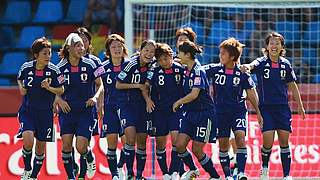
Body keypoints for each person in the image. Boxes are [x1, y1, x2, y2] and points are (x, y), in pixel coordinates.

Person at [241, 32, 305, 180]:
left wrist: (300, 106)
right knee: (268, 141)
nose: (274, 45)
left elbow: (293, 86)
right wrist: (247, 67)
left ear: (282, 46)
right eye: (271, 43)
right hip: (266, 109)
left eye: (277, 43)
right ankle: (264, 169)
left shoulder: (286, 64)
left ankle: (287, 175)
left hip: (282, 109)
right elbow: (252, 65)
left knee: (284, 141)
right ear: (267, 46)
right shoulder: (262, 62)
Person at [203, 37, 263, 180]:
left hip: (238, 111)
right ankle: (228, 175)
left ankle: (241, 172)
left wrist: (259, 113)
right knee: (223, 145)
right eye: (220, 53)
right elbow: (196, 69)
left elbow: (251, 93)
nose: (220, 56)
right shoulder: (215, 69)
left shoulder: (242, 73)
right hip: (220, 112)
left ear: (232, 57)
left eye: (223, 53)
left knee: (240, 139)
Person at [56, 33, 104, 180]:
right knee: (66, 146)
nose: (81, 48)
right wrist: (59, 100)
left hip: (85, 111)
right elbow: (54, 90)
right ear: (68, 48)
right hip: (67, 111)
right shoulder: (60, 68)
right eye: (77, 45)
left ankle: (89, 158)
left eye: (82, 45)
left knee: (81, 147)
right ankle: (71, 177)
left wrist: (95, 98)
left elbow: (101, 84)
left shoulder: (91, 64)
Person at [17, 37, 64, 179]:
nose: (48, 56)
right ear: (36, 55)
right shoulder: (26, 67)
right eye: (44, 53)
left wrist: (49, 88)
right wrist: (21, 88)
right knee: (28, 141)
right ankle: (27, 168)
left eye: (49, 53)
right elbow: (19, 78)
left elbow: (61, 89)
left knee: (40, 147)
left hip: (45, 113)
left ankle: (34, 176)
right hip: (28, 111)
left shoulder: (54, 71)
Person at [172, 41, 220, 180]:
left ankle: (215, 176)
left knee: (197, 150)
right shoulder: (186, 69)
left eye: (180, 52)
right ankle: (193, 170)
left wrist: (178, 102)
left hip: (204, 114)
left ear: (187, 54)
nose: (177, 55)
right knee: (180, 145)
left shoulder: (199, 71)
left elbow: (194, 94)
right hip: (190, 114)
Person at [115, 40, 156, 180]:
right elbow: (118, 85)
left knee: (142, 142)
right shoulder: (130, 64)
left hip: (143, 106)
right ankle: (130, 174)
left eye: (152, 52)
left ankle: (139, 175)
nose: (149, 54)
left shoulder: (153, 64)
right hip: (126, 104)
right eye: (146, 51)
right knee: (130, 138)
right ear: (140, 50)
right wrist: (137, 86)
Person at [144, 43, 185, 180]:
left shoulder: (180, 69)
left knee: (177, 141)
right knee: (160, 143)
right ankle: (165, 173)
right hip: (159, 111)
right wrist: (148, 100)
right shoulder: (154, 71)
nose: (164, 62)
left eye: (166, 58)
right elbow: (145, 87)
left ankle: (174, 171)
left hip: (176, 110)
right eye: (160, 60)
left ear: (171, 56)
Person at [100, 34, 128, 180]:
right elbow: (96, 86)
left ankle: (120, 166)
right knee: (111, 143)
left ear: (123, 48)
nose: (117, 49)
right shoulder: (102, 68)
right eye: (113, 47)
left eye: (119, 46)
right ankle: (115, 175)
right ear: (108, 51)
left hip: (127, 108)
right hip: (109, 108)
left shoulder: (130, 65)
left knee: (128, 143)